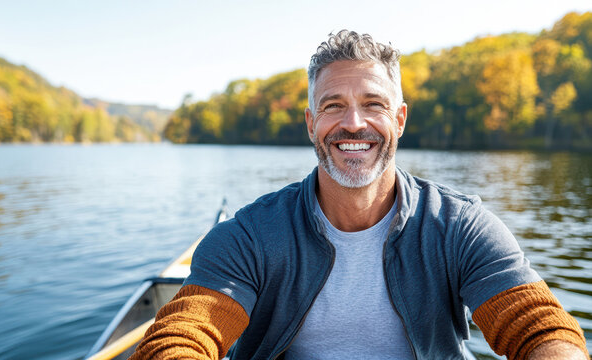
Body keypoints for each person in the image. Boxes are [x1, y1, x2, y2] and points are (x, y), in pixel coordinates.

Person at [130, 31, 588, 360]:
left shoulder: (459, 228)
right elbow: (185, 332)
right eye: (333, 106)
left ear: (400, 119)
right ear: (311, 123)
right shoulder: (249, 236)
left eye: (373, 104)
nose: (353, 123)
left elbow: (537, 327)